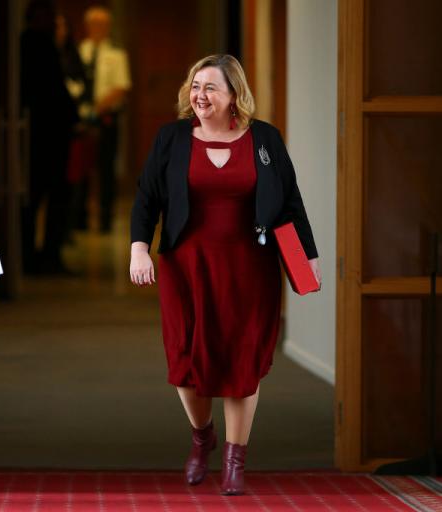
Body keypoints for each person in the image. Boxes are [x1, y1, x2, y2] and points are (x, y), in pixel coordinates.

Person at [129, 54, 321, 495]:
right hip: (186, 266)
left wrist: (306, 257)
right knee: (185, 359)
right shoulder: (172, 139)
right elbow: (146, 199)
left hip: (249, 269)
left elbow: (290, 203)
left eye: (211, 87)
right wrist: (140, 248)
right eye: (195, 86)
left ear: (235, 93)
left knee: (242, 359)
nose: (200, 95)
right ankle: (203, 437)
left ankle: (235, 459)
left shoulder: (264, 140)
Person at [20, 0, 79, 274]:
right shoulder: (38, 45)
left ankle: (34, 256)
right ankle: (45, 257)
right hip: (47, 134)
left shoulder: (36, 44)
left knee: (36, 196)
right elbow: (53, 92)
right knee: (50, 196)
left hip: (42, 133)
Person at [78, 5, 131, 232]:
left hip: (106, 118)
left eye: (102, 24)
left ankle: (105, 220)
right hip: (80, 118)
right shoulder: (81, 50)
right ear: (87, 26)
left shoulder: (116, 54)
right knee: (80, 168)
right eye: (94, 24)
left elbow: (121, 87)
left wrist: (97, 108)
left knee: (106, 168)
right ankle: (78, 219)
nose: (98, 28)